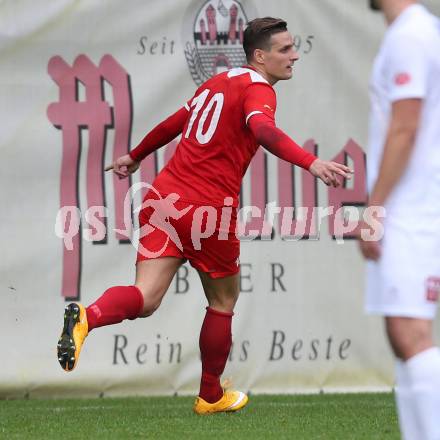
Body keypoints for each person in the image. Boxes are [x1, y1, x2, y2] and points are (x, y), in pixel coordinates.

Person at [57, 17, 352, 414]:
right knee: (224, 299)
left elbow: (174, 124)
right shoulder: (259, 90)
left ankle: (87, 318)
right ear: (260, 56)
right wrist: (310, 162)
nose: (294, 55)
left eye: (294, 47)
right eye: (285, 49)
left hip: (162, 198)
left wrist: (135, 156)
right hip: (207, 210)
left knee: (145, 298)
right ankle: (210, 395)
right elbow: (262, 129)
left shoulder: (216, 82)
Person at [359, 1, 440, 438]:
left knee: (411, 332)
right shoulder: (414, 33)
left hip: (413, 209)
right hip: (411, 206)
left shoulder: (411, 35)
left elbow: (405, 128)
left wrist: (376, 207)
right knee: (402, 334)